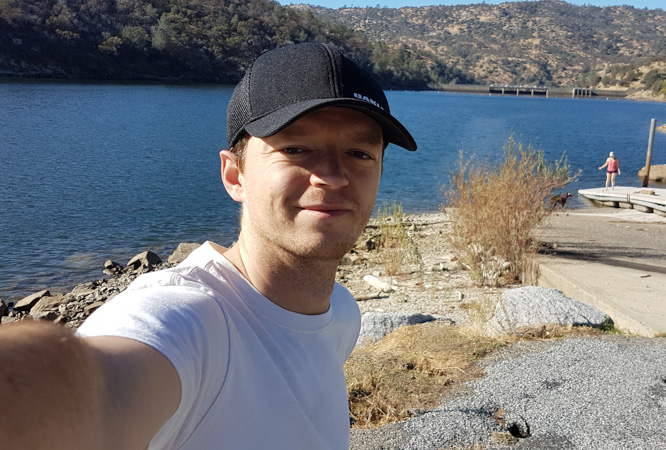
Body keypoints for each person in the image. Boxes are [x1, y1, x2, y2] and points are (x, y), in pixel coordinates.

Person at [0, 42, 416, 449]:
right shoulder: (187, 320)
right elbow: (93, 393)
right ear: (235, 176)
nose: (333, 176)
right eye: (295, 149)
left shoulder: (341, 315)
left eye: (359, 153)